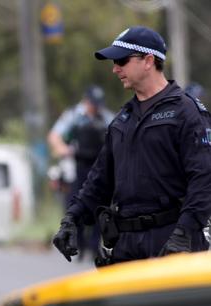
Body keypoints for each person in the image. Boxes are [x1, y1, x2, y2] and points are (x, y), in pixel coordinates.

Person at [51, 26, 211, 265]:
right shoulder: (121, 120)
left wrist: (185, 233)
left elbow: (204, 179)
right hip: (125, 245)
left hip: (172, 242)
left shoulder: (186, 112)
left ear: (148, 60)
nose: (115, 69)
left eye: (122, 61)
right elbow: (99, 180)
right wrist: (72, 219)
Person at [47, 85, 114, 260]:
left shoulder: (105, 117)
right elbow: (54, 136)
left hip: (97, 166)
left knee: (100, 206)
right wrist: (63, 150)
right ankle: (80, 245)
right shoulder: (74, 116)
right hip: (75, 167)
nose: (95, 107)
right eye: (93, 103)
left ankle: (94, 245)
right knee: (76, 204)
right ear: (86, 101)